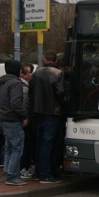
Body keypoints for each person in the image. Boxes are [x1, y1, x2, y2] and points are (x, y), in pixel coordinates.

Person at [29, 50, 67, 184]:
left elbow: (30, 92)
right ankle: (45, 174)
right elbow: (61, 93)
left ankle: (39, 172)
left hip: (38, 111)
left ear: (45, 60)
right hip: (52, 112)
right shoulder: (58, 74)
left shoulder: (36, 73)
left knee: (39, 142)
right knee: (47, 143)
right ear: (55, 60)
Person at [0, 60, 29, 186]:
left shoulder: (3, 83)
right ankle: (12, 176)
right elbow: (16, 103)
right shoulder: (15, 83)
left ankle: (7, 173)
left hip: (4, 118)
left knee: (9, 148)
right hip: (13, 119)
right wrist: (24, 115)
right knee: (17, 147)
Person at [19, 63, 35, 179]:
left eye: (30, 72)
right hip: (25, 120)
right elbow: (25, 105)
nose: (30, 75)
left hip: (25, 119)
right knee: (25, 144)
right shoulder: (24, 88)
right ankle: (23, 167)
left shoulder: (26, 86)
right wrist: (25, 117)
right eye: (28, 73)